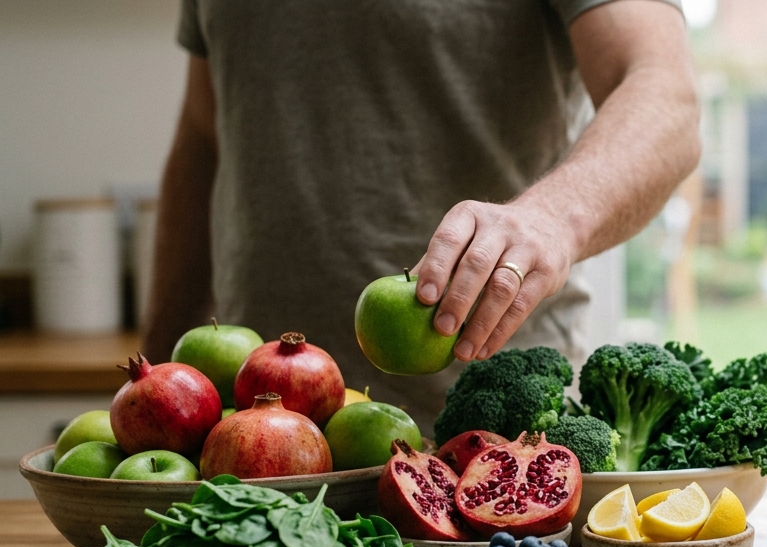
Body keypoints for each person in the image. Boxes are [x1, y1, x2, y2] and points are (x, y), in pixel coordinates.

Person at [142, 0, 700, 428]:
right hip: (257, 434)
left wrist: (553, 217)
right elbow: (203, 136)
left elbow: (665, 99)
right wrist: (156, 384)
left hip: (493, 427)